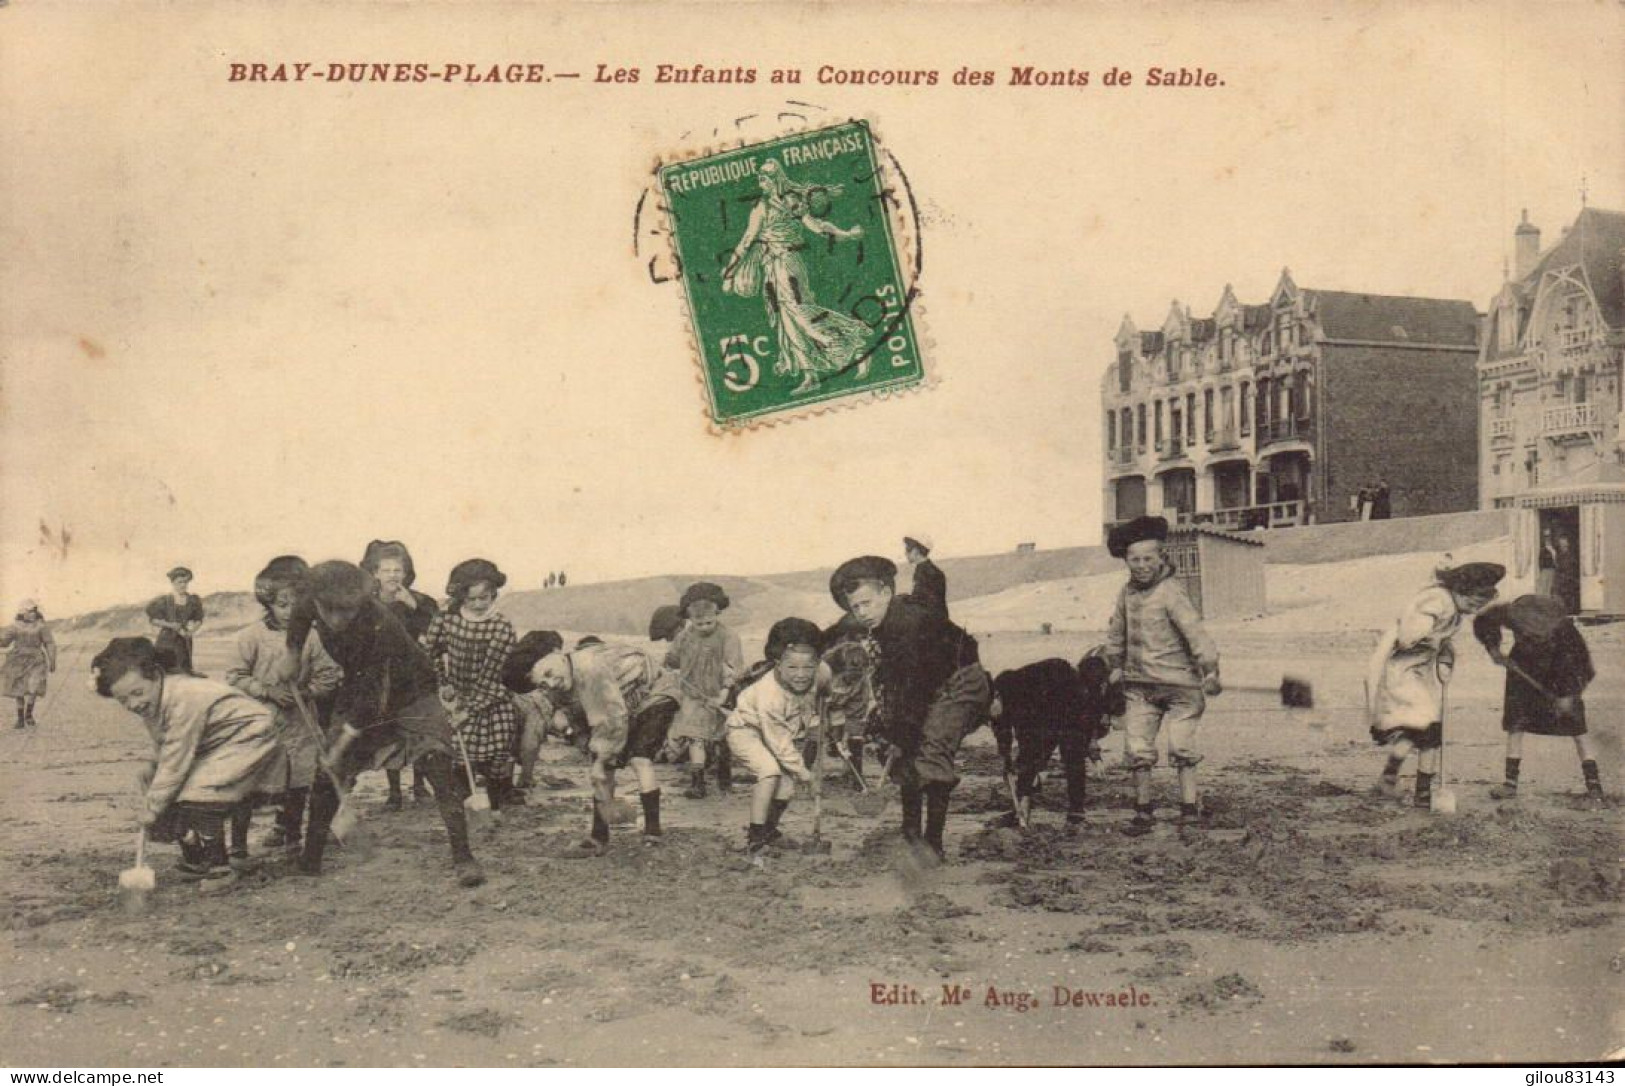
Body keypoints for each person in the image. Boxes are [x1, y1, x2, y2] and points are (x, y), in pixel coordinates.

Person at [288, 561, 484, 886]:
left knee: (437, 763)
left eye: (346, 612)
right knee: (328, 773)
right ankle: (310, 859)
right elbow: (298, 619)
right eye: (329, 611)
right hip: (359, 682)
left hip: (411, 689)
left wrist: (340, 744)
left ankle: (464, 856)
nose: (337, 620)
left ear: (360, 604)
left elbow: (374, 699)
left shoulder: (381, 624)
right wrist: (292, 654)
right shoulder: (311, 600)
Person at [828, 555, 989, 862]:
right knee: (901, 751)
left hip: (960, 681)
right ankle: (910, 834)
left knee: (931, 750)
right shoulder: (875, 617)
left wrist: (900, 730)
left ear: (886, 593)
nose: (862, 613)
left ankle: (933, 845)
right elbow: (838, 631)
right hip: (921, 686)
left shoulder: (909, 625)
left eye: (867, 603)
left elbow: (914, 690)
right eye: (856, 607)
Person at [93, 636, 284, 890]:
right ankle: (197, 860)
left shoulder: (185, 696)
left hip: (249, 735)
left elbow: (176, 757)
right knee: (163, 787)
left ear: (157, 675)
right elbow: (165, 744)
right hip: (214, 741)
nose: (134, 704)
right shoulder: (155, 701)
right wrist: (153, 771)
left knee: (200, 794)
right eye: (124, 700)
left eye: (138, 693)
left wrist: (152, 806)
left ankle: (220, 869)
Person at [1103, 516, 1221, 836]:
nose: (1141, 565)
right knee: (1137, 748)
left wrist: (1209, 669)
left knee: (1181, 746)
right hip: (1140, 685)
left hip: (1181, 685)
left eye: (1147, 559)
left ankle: (1188, 808)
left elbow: (1195, 633)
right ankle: (1143, 812)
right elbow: (1116, 633)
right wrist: (1114, 664)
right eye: (1134, 560)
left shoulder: (1171, 592)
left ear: (1160, 559)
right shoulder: (1126, 595)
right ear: (1127, 561)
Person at [224, 557, 342, 856]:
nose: (290, 612)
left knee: (298, 783)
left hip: (300, 725)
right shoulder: (251, 637)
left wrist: (307, 692)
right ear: (268, 604)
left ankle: (292, 840)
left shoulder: (311, 637)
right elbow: (234, 676)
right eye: (282, 604)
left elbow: (329, 675)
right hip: (260, 724)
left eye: (296, 604)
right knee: (250, 785)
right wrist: (266, 690)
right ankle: (238, 849)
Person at [722, 158, 871, 394]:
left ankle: (853, 346)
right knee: (787, 320)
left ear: (776, 179)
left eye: (766, 178)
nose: (762, 183)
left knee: (800, 313)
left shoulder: (788, 202)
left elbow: (817, 226)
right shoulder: (763, 207)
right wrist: (730, 272)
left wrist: (847, 234)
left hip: (788, 265)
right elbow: (747, 242)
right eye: (760, 178)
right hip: (772, 267)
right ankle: (810, 375)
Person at [1367, 560, 1504, 808]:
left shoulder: (1455, 613)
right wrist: (1425, 634)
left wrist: (1445, 661)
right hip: (1400, 672)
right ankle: (1422, 794)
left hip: (1419, 673)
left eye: (1479, 605)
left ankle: (1387, 779)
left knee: (1417, 730)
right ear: (1460, 589)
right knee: (1429, 727)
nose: (1473, 609)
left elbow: (1443, 644)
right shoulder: (1436, 600)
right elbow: (1408, 637)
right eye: (1472, 601)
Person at [530, 637, 682, 855]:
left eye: (552, 676)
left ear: (563, 662)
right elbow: (580, 718)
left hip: (656, 694)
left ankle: (652, 830)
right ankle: (599, 834)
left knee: (639, 759)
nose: (552, 683)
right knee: (604, 766)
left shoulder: (590, 671)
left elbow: (612, 719)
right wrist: (591, 750)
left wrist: (600, 761)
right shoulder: (562, 683)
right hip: (625, 702)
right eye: (545, 682)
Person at [1473, 594, 1605, 806]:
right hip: (1522, 666)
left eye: (1530, 632)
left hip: (1557, 673)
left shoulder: (1567, 636)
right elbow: (1484, 619)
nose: (1525, 633)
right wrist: (1493, 649)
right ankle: (1510, 784)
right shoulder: (1514, 612)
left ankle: (1594, 786)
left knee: (1578, 730)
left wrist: (1567, 695)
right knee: (1515, 723)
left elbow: (1581, 668)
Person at [421, 559, 523, 814]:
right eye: (472, 599)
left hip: (493, 697)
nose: (479, 605)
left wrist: (468, 710)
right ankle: (464, 809)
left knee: (496, 755)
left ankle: (496, 808)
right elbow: (429, 652)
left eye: (485, 598)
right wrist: (443, 684)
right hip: (456, 696)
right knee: (457, 755)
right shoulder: (446, 618)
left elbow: (494, 676)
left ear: (493, 595)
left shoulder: (501, 627)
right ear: (461, 596)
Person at [726, 618, 826, 856]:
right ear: (777, 664)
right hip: (746, 731)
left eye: (808, 667)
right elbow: (778, 741)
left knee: (787, 786)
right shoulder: (769, 695)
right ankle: (755, 839)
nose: (801, 675)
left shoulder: (821, 674)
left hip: (776, 734)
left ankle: (770, 830)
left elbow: (820, 698)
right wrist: (805, 772)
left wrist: (818, 726)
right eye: (792, 667)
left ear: (817, 663)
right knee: (770, 772)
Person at [990, 648, 1118, 829]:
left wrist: (1094, 752)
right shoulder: (1003, 694)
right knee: (1031, 759)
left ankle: (1075, 814)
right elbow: (1003, 729)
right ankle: (1022, 808)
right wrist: (1006, 756)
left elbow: (1087, 726)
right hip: (1044, 712)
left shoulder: (1015, 684)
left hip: (1063, 711)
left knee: (1071, 757)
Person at [360, 540, 440, 808]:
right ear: (375, 573)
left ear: (406, 573)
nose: (393, 575)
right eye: (387, 570)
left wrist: (414, 608)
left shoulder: (422, 602)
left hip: (417, 676)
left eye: (398, 570)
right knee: (389, 733)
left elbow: (436, 634)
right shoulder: (366, 605)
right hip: (383, 678)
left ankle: (419, 785)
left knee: (418, 730)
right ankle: (394, 791)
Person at [666, 582, 743, 799]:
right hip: (693, 695)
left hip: (722, 694)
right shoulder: (685, 636)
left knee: (722, 737)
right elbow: (673, 659)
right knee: (695, 737)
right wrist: (671, 666)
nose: (704, 627)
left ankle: (724, 776)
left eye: (709, 622)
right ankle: (697, 782)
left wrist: (724, 694)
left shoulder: (728, 636)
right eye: (698, 623)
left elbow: (732, 667)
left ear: (718, 614)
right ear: (690, 619)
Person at [502, 629, 567, 793]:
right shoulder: (548, 662)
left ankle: (504, 784)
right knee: (531, 739)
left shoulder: (512, 657)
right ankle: (525, 779)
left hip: (506, 697)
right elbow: (530, 744)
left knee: (509, 741)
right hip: (534, 700)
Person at [1, 600, 56, 729]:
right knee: (19, 689)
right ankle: (20, 718)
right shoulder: (14, 626)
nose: (33, 614)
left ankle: (29, 715)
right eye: (30, 611)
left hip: (36, 660)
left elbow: (49, 643)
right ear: (22, 612)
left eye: (34, 611)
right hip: (17, 660)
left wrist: (52, 660)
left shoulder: (41, 626)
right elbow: (4, 643)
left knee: (34, 687)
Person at [145, 567, 204, 675]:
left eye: (185, 582)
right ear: (173, 583)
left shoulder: (193, 600)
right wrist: (171, 625)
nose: (183, 585)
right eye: (179, 582)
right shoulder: (164, 600)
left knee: (184, 672)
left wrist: (191, 631)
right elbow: (153, 620)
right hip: (166, 641)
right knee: (163, 671)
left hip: (184, 640)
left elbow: (199, 619)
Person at [904, 534, 947, 616]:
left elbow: (921, 601)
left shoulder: (928, 572)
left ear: (916, 551)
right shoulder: (924, 569)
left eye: (908, 550)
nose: (905, 553)